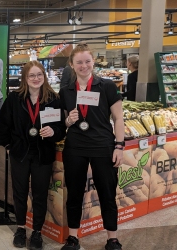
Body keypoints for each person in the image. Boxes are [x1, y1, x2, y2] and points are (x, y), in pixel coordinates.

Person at [0, 61, 66, 250]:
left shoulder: (53, 99)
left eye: (39, 75)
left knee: (40, 194)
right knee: (20, 193)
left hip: (43, 153)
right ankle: (20, 228)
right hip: (21, 153)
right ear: (25, 78)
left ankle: (37, 232)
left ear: (44, 76)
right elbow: (1, 126)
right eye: (31, 75)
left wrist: (54, 132)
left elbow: (61, 129)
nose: (36, 79)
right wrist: (9, 145)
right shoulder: (15, 98)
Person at [59, 43, 124, 250]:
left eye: (87, 61)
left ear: (93, 62)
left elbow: (119, 118)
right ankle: (72, 238)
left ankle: (112, 239)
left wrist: (119, 146)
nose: (84, 65)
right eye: (79, 62)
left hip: (103, 146)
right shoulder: (66, 91)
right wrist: (69, 120)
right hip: (75, 147)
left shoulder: (106, 86)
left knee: (107, 192)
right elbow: (64, 124)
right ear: (72, 64)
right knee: (75, 193)